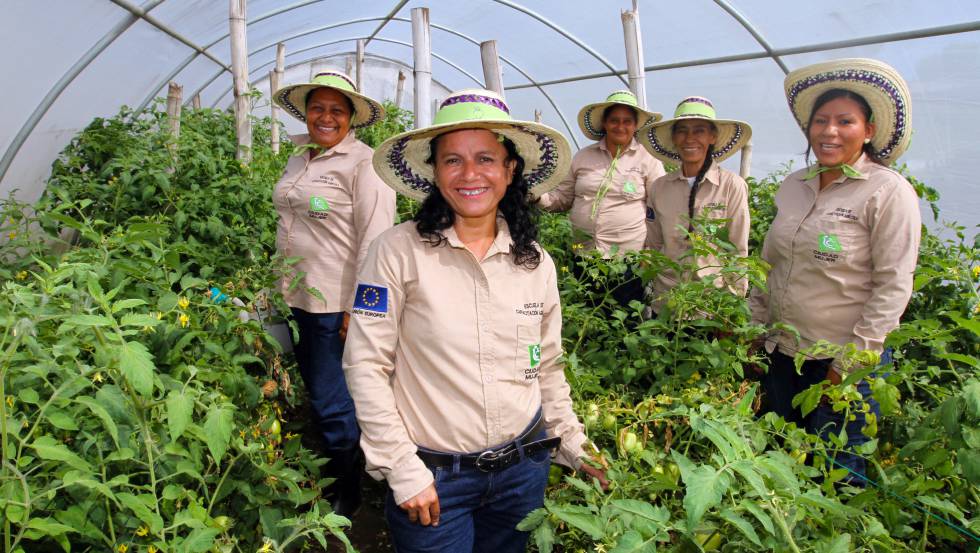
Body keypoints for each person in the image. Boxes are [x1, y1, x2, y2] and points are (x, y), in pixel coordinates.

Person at [344, 89, 607, 552]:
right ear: (434, 172)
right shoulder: (396, 252)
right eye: (452, 161)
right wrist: (403, 469)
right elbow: (366, 365)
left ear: (510, 171)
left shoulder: (535, 263)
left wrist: (574, 444)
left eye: (486, 158)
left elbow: (546, 368)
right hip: (435, 480)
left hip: (522, 474)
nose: (470, 174)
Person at [749, 58, 921, 482]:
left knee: (835, 472)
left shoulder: (887, 191)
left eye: (845, 121)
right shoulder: (794, 185)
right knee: (779, 458)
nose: (830, 131)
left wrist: (848, 367)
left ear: (869, 131)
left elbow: (892, 287)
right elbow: (767, 265)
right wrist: (753, 330)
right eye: (821, 121)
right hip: (783, 352)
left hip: (841, 361)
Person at [271, 71, 395, 515]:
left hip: (334, 304)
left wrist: (360, 312)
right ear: (306, 114)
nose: (325, 117)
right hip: (295, 297)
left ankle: (348, 495)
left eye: (336, 110)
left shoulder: (365, 165)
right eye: (317, 108)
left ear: (351, 119)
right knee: (321, 393)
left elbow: (377, 243)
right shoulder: (299, 156)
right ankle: (339, 473)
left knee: (331, 400)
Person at [537, 90, 665, 307]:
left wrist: (650, 254)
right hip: (585, 257)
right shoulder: (583, 157)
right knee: (589, 317)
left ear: (635, 126)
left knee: (625, 322)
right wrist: (535, 195)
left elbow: (660, 209)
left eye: (627, 121)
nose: (620, 126)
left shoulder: (648, 160)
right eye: (614, 120)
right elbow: (563, 198)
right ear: (604, 123)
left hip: (628, 261)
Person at [638, 96, 752, 313]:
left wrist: (733, 307)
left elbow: (738, 251)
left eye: (699, 130)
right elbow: (653, 245)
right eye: (682, 130)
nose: (690, 138)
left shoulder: (731, 186)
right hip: (667, 303)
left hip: (710, 307)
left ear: (712, 137)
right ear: (674, 138)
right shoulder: (660, 188)